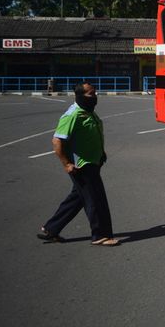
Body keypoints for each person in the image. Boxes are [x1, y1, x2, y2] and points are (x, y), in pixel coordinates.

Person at [37, 82, 119, 246]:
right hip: (81, 165)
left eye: (95, 93)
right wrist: (67, 164)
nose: (94, 97)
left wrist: (101, 153)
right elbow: (56, 141)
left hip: (93, 162)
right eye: (91, 94)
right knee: (95, 199)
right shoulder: (72, 115)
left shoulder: (88, 112)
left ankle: (51, 229)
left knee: (78, 198)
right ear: (80, 96)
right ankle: (99, 235)